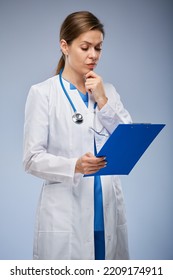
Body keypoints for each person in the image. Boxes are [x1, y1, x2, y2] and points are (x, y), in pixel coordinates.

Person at [23, 11, 132, 260]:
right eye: (85, 47)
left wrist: (103, 100)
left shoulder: (109, 92)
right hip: (65, 216)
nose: (93, 55)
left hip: (107, 213)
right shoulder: (43, 94)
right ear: (65, 46)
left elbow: (127, 138)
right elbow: (31, 158)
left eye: (98, 48)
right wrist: (75, 165)